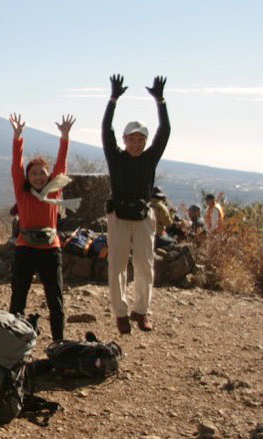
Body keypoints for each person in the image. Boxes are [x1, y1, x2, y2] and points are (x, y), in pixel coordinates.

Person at [102, 74, 170, 334]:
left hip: (143, 216)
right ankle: (120, 313)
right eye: (132, 138)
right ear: (124, 139)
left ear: (144, 141)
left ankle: (141, 311)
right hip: (119, 216)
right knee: (117, 266)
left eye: (140, 139)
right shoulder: (116, 157)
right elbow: (105, 130)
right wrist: (113, 100)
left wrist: (160, 102)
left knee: (145, 266)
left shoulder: (149, 159)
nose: (136, 143)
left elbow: (165, 132)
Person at [8, 113, 78, 341]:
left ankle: (59, 342)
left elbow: (61, 165)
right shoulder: (23, 192)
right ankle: (12, 343)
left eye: (42, 173)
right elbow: (16, 166)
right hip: (25, 248)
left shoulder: (54, 191)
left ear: (49, 176)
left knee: (55, 298)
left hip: (50, 249)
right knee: (18, 296)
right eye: (34, 173)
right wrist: (18, 137)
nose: (38, 177)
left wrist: (64, 138)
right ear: (27, 177)